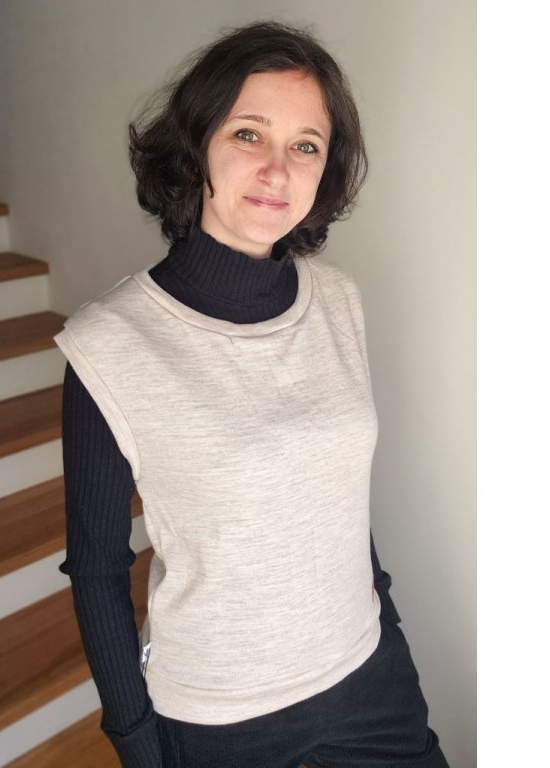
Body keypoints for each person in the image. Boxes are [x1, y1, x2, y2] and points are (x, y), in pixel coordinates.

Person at [54, 21, 450, 768]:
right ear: (196, 143)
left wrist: (386, 618)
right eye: (248, 134)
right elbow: (100, 569)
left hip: (369, 677)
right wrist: (137, 742)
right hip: (220, 720)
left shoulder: (338, 301)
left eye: (306, 145)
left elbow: (333, 494)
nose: (276, 169)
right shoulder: (107, 345)